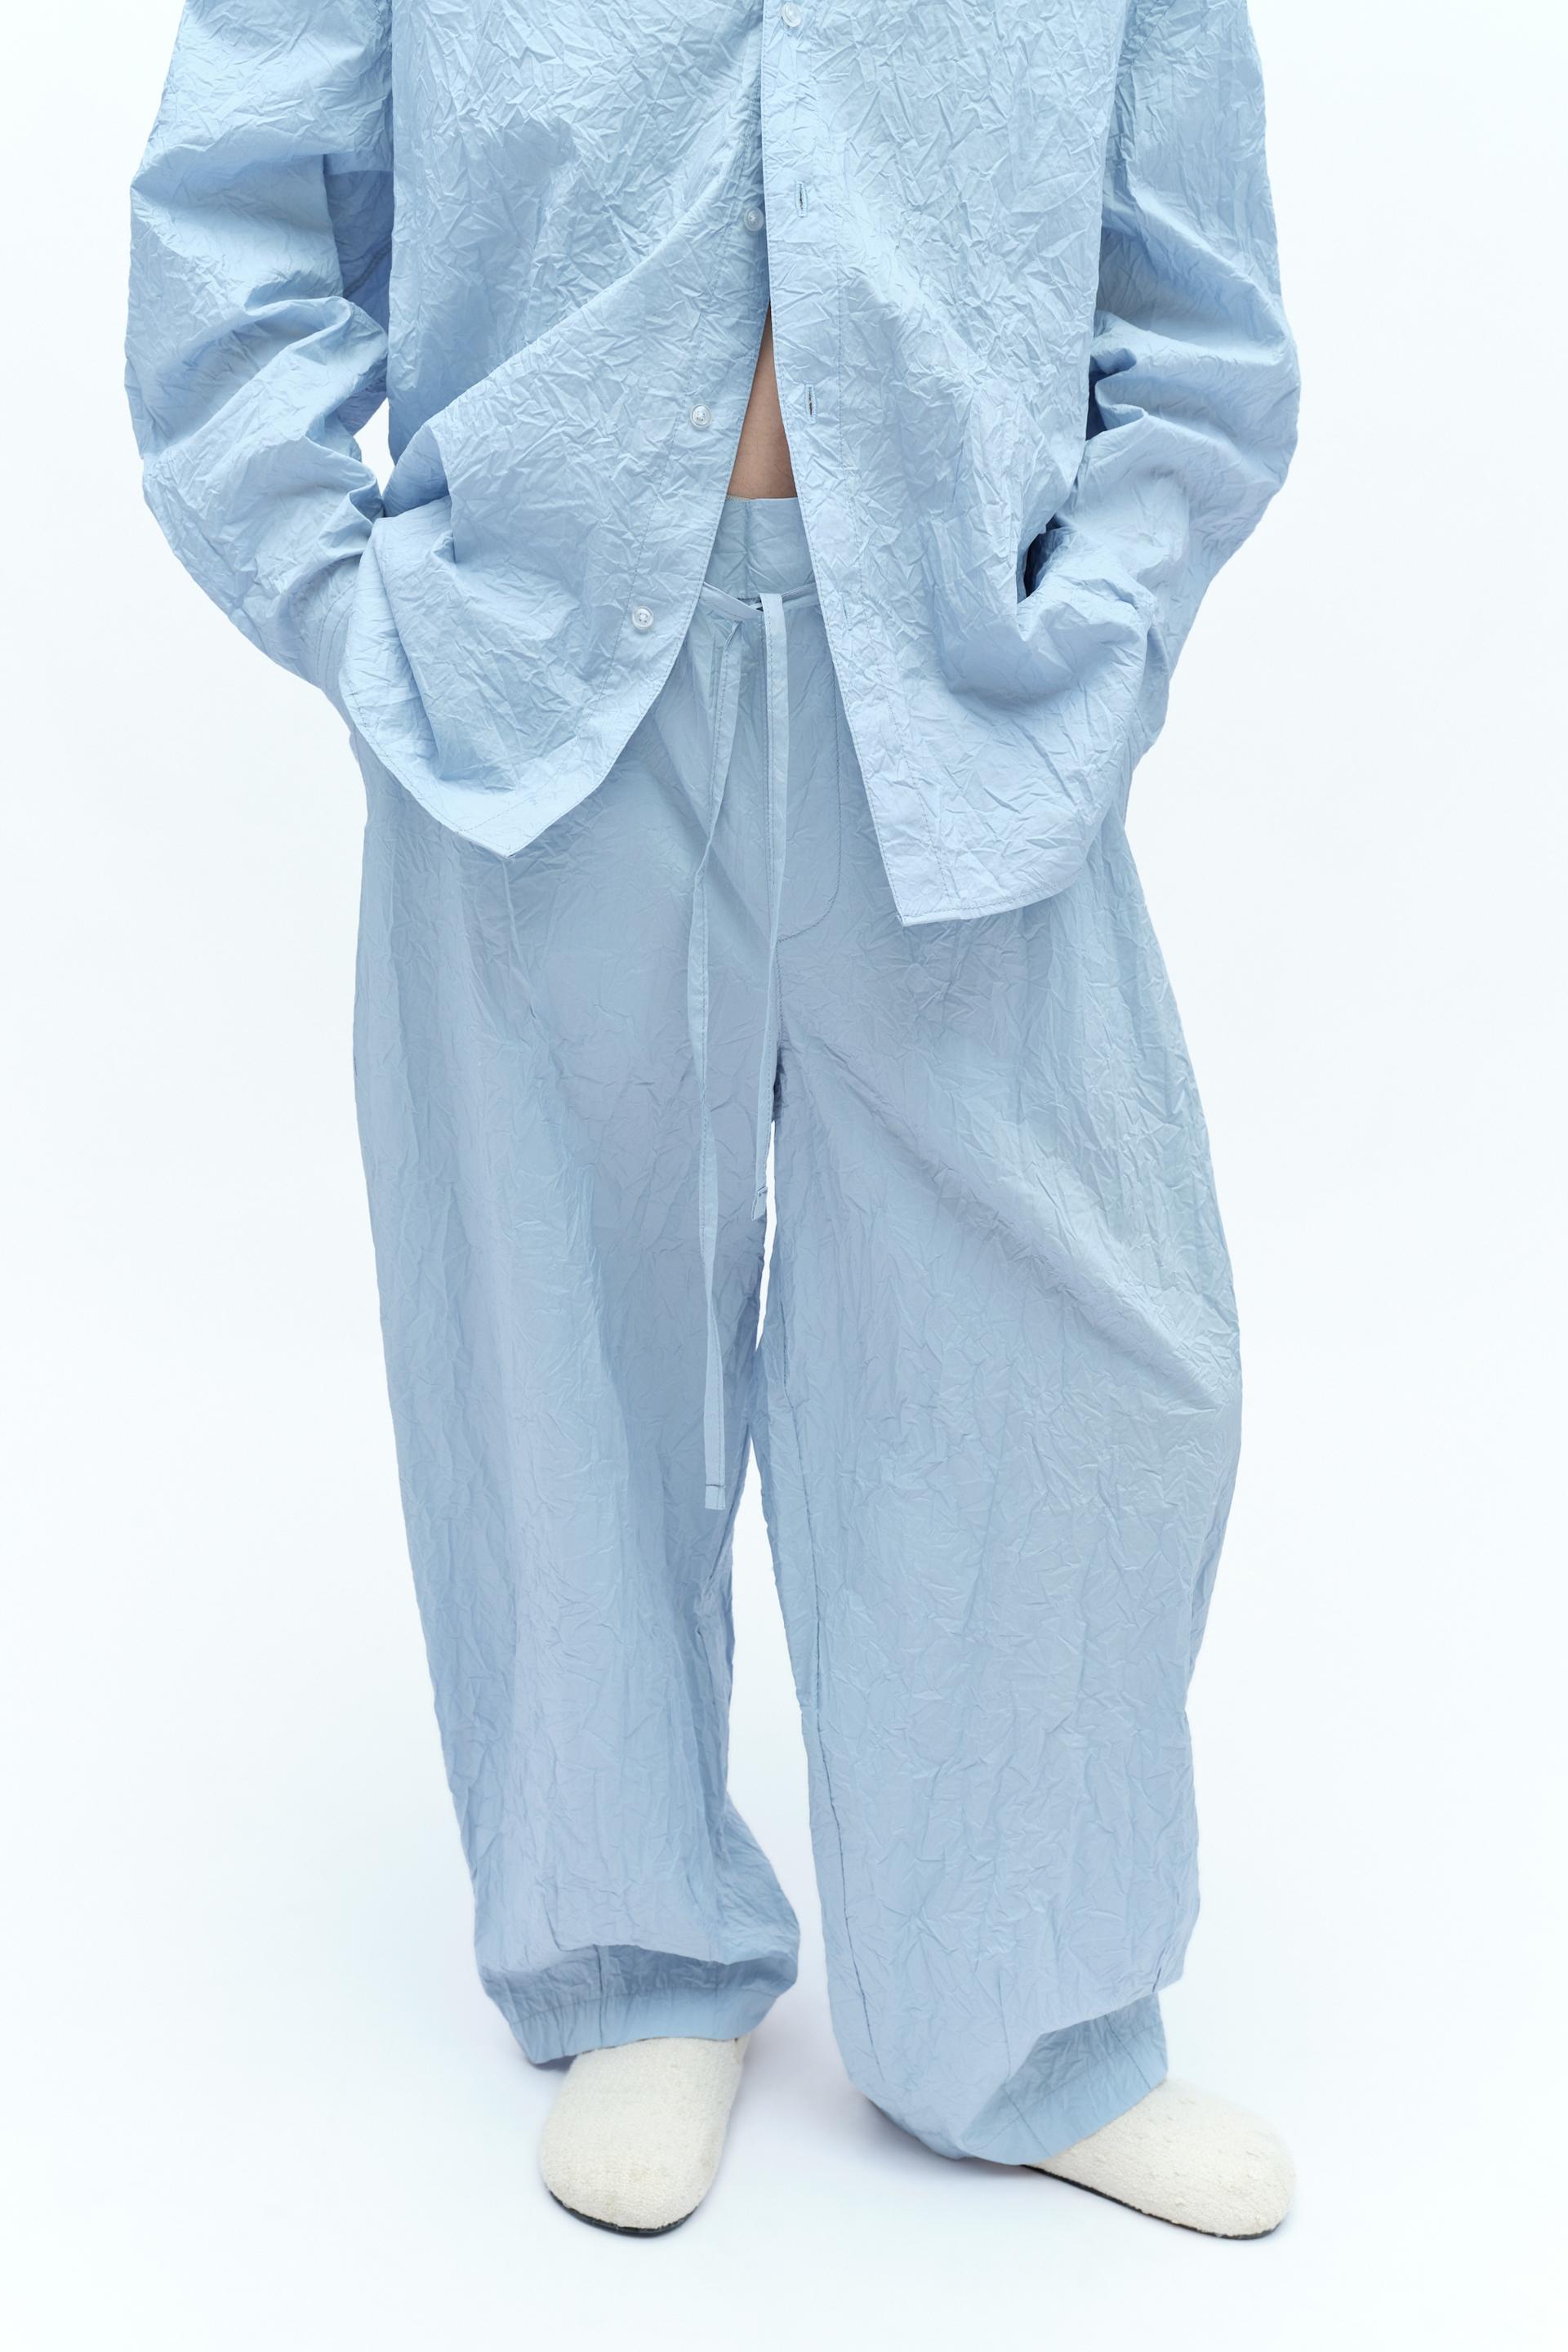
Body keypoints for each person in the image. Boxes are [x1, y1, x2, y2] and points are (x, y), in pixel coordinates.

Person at [127, 0, 1300, 2239]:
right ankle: (633, 1965)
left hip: (964, 695)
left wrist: (1098, 635)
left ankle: (1026, 2014)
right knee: (555, 1334)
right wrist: (362, 611)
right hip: (528, 692)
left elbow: (1203, 323)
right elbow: (232, 234)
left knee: (1082, 1363)